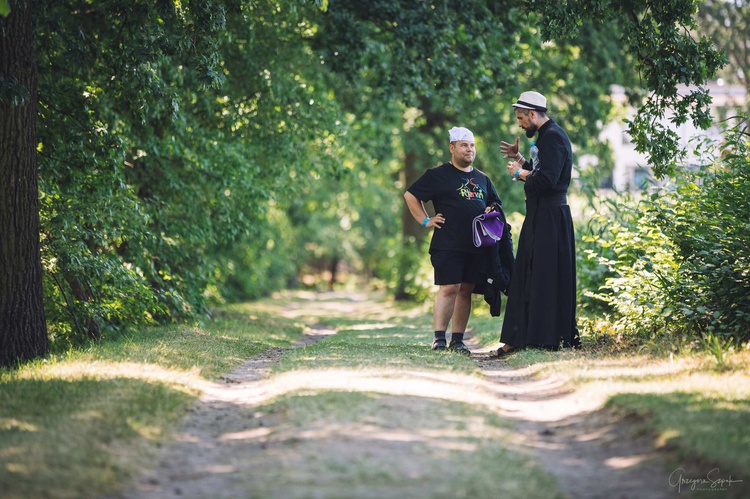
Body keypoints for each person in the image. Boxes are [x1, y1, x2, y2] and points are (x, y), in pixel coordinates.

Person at [491, 91, 581, 357]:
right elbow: (541, 170)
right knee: (531, 274)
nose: (520, 124)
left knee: (543, 275)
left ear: (532, 114)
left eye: (521, 118)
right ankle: (525, 337)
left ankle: (542, 337)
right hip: (542, 215)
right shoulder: (548, 136)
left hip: (550, 217)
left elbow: (547, 180)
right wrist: (520, 160)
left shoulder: (553, 137)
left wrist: (519, 174)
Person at [404, 126, 503, 355]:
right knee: (449, 288)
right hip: (447, 243)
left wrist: (491, 208)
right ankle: (439, 338)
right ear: (452, 147)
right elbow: (411, 195)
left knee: (465, 290)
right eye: (464, 145)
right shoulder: (438, 175)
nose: (469, 150)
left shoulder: (482, 179)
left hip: (476, 245)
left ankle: (457, 340)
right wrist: (425, 221)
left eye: (472, 145)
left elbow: (495, 204)